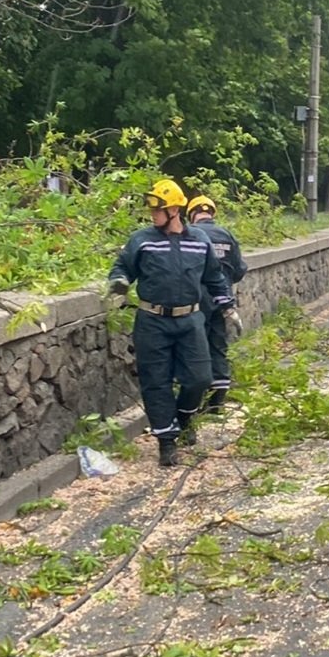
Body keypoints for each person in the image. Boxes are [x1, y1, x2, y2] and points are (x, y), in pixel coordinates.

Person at [108, 179, 238, 467]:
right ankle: (167, 442)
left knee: (200, 378)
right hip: (152, 321)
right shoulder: (141, 240)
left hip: (190, 319)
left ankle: (184, 417)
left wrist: (228, 308)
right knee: (157, 383)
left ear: (175, 210)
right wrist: (118, 281)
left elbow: (214, 278)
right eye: (151, 208)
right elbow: (122, 267)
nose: (152, 213)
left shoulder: (199, 241)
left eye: (158, 208)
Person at [186, 194, 248, 413]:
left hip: (197, 299)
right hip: (222, 301)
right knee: (218, 344)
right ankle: (218, 399)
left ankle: (195, 397)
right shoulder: (226, 234)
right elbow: (240, 269)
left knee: (195, 346)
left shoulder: (191, 234)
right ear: (212, 213)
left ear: (192, 214)